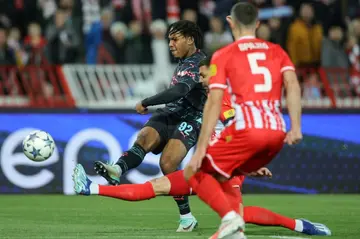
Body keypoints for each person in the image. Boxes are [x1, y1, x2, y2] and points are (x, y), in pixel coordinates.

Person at [72, 59, 331, 237]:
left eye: (205, 76)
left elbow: (237, 132)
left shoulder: (224, 97)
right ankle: (90, 188)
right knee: (155, 187)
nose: (202, 81)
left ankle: (300, 225)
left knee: (237, 215)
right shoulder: (214, 97)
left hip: (225, 170)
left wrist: (246, 166)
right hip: (211, 169)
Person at [184, 2, 303, 238]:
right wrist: (296, 127)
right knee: (223, 174)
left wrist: (201, 148)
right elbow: (292, 84)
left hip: (248, 130)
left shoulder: (224, 54)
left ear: (230, 22)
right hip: (277, 133)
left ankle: (231, 220)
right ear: (258, 24)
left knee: (194, 172)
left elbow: (214, 101)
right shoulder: (277, 51)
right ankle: (235, 232)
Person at [93, 20, 206, 232]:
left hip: (191, 119)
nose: (170, 44)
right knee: (144, 137)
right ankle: (117, 169)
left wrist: (146, 102)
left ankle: (186, 217)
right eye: (169, 40)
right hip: (170, 112)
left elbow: (180, 90)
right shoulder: (183, 62)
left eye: (175, 39)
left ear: (190, 39)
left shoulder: (200, 63)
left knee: (168, 163)